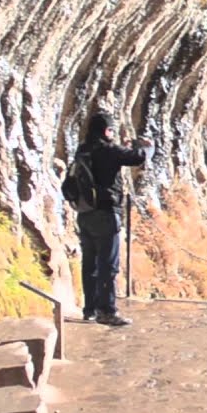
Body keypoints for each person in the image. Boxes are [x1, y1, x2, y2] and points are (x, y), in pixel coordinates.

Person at [76, 111, 153, 326]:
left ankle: (89, 309)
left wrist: (124, 147)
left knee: (89, 264)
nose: (112, 134)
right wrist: (147, 146)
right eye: (110, 130)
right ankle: (107, 311)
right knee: (108, 265)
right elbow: (138, 158)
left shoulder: (82, 150)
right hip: (106, 214)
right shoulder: (108, 150)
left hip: (84, 214)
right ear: (105, 130)